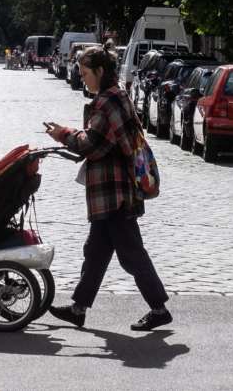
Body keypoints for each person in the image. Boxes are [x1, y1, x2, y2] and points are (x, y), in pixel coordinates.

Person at [44, 46, 171, 331]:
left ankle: (159, 308)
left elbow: (92, 144)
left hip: (116, 194)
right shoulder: (114, 96)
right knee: (96, 250)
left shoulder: (108, 101)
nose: (83, 78)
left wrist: (63, 133)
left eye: (86, 73)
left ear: (100, 71)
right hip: (112, 193)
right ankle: (78, 308)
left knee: (131, 254)